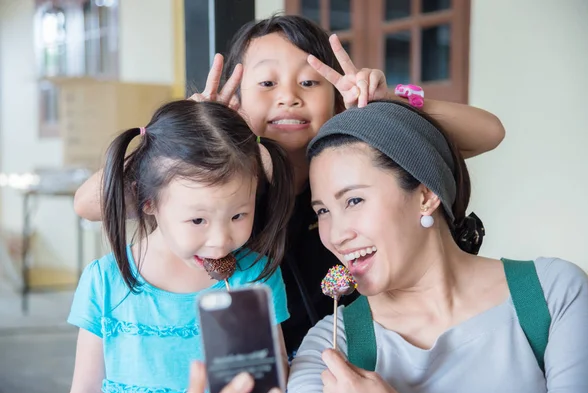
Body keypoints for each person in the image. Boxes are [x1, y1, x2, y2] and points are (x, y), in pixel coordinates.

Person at [72, 15, 506, 357]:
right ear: (237, 99)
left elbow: (490, 132)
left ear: (335, 95)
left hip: (366, 351)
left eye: (309, 81)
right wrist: (183, 136)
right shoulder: (222, 181)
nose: (288, 96)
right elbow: (90, 204)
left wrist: (391, 101)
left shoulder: (363, 151)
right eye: (267, 83)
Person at [287, 100, 588, 393]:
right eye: (323, 211)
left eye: (354, 200)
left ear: (426, 195)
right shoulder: (328, 348)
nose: (336, 235)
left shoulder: (552, 292)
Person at [67, 101, 293, 393]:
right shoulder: (104, 282)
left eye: (238, 215)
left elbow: (274, 384)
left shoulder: (256, 278)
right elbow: (84, 392)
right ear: (148, 201)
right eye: (198, 219)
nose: (220, 240)